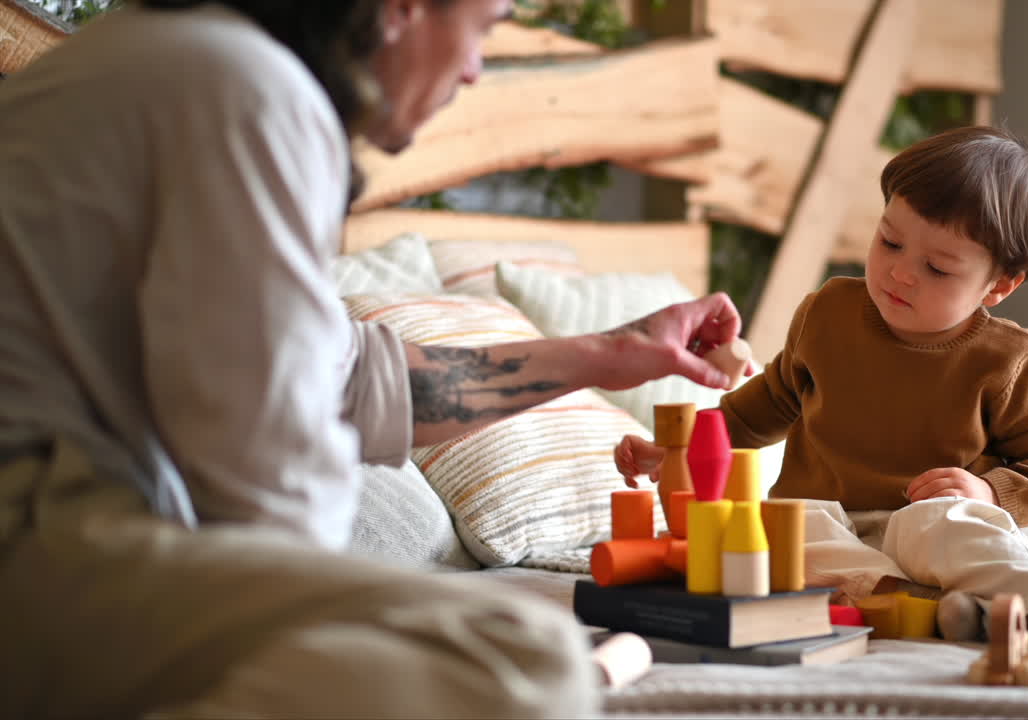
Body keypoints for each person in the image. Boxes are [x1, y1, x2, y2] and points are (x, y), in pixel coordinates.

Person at [0, 0, 746, 717]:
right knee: (525, 658)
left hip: (57, 548)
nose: (476, 70)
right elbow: (272, 488)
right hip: (35, 549)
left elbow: (348, 378)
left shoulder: (194, 59)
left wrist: (614, 354)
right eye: (483, 29)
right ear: (401, 8)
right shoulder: (248, 90)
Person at [615, 125, 1028, 660]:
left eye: (937, 267)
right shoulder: (827, 315)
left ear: (998, 287)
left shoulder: (1004, 359)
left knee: (949, 526)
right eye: (889, 241)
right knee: (772, 530)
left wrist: (989, 493)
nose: (901, 272)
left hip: (925, 520)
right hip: (823, 519)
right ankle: (932, 606)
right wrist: (676, 453)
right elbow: (756, 410)